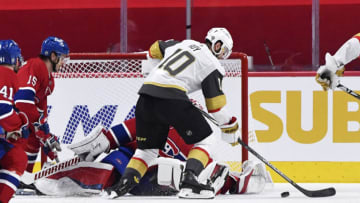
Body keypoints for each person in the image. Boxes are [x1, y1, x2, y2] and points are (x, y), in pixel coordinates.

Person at [104, 27, 242, 199]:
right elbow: (216, 108)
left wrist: (158, 70)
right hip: (172, 97)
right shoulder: (213, 65)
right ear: (218, 45)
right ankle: (190, 182)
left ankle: (122, 185)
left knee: (147, 150)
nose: (223, 56)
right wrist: (231, 128)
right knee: (206, 139)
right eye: (224, 52)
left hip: (146, 95)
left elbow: (155, 48)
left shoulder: (184, 44)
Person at [34, 117, 272, 197]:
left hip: (145, 172)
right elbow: (113, 137)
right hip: (132, 162)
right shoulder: (152, 119)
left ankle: (77, 181)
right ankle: (73, 181)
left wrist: (231, 179)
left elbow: (214, 176)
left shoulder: (195, 143)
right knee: (115, 161)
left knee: (168, 170)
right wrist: (99, 144)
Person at [14, 36, 69, 173]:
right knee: (22, 132)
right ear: (52, 56)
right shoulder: (36, 66)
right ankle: (12, 172)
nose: (63, 62)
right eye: (62, 58)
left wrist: (45, 136)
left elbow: (40, 111)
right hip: (8, 111)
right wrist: (41, 127)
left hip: (18, 113)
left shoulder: (50, 81)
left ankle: (23, 176)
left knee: (34, 138)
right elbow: (22, 101)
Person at [0, 40, 30, 203]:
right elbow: (2, 108)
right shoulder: (5, 74)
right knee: (16, 158)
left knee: (15, 157)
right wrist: (18, 126)